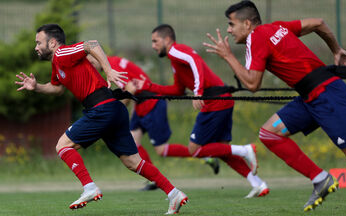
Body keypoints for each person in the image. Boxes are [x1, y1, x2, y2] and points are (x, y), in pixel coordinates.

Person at [203, 0, 346, 211]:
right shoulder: (277, 27)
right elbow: (319, 22)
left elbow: (252, 84)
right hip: (312, 96)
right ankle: (320, 179)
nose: (229, 30)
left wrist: (228, 56)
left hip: (325, 95)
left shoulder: (255, 38)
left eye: (231, 24)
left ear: (247, 23)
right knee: (270, 133)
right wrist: (336, 49)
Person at [14, 23, 187, 214]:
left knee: (62, 145)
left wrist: (108, 69)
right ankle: (174, 193)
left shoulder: (62, 53)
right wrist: (36, 86)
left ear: (53, 42)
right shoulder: (58, 63)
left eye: (39, 43)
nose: (36, 47)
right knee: (133, 162)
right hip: (112, 109)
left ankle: (89, 187)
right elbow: (57, 88)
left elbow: (91, 44)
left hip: (101, 108)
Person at [134, 24, 270, 198]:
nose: (153, 45)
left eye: (155, 41)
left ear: (167, 39)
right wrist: (150, 87)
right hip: (223, 100)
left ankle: (245, 150)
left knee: (195, 149)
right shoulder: (174, 60)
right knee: (222, 151)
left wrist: (198, 92)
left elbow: (195, 61)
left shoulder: (175, 51)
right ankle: (258, 184)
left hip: (215, 102)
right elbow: (178, 90)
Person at [89, 55, 221, 191]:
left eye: (92, 63)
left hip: (152, 103)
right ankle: (154, 179)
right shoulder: (113, 60)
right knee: (133, 141)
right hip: (140, 105)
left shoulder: (112, 66)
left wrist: (113, 111)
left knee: (162, 149)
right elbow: (133, 86)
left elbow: (130, 88)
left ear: (97, 58)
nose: (92, 67)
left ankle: (204, 155)